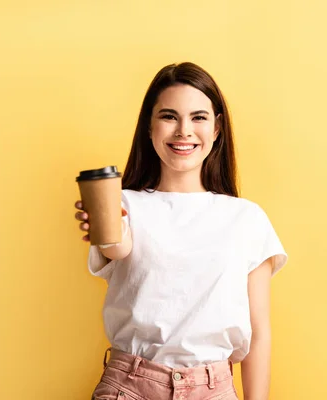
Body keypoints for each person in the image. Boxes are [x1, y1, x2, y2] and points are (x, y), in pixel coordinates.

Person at [74, 62, 287, 400]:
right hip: (130, 387)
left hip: (213, 389)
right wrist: (103, 221)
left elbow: (258, 333)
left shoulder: (247, 219)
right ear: (149, 126)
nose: (183, 131)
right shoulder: (125, 203)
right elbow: (118, 245)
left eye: (198, 117)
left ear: (217, 129)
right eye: (169, 116)